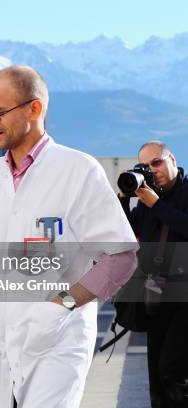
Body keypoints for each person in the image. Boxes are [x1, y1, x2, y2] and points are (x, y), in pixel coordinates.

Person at [0, 65, 138, 408]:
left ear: (34, 108)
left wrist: (61, 306)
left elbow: (121, 256)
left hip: (59, 339)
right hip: (4, 336)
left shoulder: (78, 170)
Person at [119, 141, 188, 408]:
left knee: (173, 371)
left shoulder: (180, 194)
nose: (152, 170)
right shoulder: (147, 200)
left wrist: (158, 205)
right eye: (144, 166)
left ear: (171, 158)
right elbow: (125, 236)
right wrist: (125, 199)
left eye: (156, 162)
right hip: (156, 294)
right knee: (157, 380)